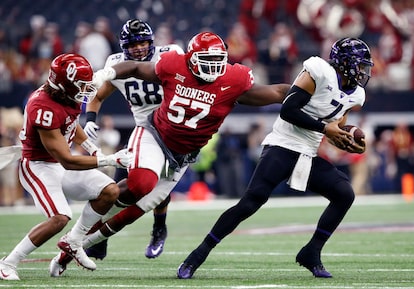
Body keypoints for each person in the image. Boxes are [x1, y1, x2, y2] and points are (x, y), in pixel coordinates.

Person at [49, 31, 290, 275]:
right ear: (192, 58)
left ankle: (71, 248)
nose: (214, 68)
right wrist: (105, 74)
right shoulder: (175, 63)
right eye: (207, 61)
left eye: (219, 61)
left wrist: (308, 93)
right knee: (141, 184)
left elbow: (278, 93)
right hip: (155, 134)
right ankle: (79, 231)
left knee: (132, 212)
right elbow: (133, 67)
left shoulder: (234, 79)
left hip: (183, 156)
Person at [177, 37, 373, 279]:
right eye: (359, 65)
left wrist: (346, 139)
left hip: (308, 153)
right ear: (343, 63)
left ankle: (311, 252)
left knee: (344, 194)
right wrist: (325, 129)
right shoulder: (318, 71)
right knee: (250, 203)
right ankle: (198, 255)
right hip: (283, 145)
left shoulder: (356, 95)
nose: (364, 71)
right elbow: (288, 110)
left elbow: (335, 127)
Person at [0, 53, 132, 281]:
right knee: (60, 217)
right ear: (63, 85)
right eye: (80, 85)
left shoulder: (65, 94)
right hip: (37, 165)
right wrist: (110, 159)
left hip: (57, 163)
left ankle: (74, 241)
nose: (85, 89)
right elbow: (67, 160)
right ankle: (7, 263)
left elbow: (70, 124)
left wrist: (91, 147)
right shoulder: (43, 106)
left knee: (110, 191)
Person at [80, 19, 184, 261]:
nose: (138, 48)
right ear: (123, 46)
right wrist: (91, 119)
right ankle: (100, 238)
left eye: (143, 42)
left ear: (152, 41)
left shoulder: (170, 55)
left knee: (157, 182)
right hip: (143, 130)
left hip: (172, 129)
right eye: (133, 44)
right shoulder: (116, 64)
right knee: (120, 186)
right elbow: (98, 95)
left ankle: (159, 227)